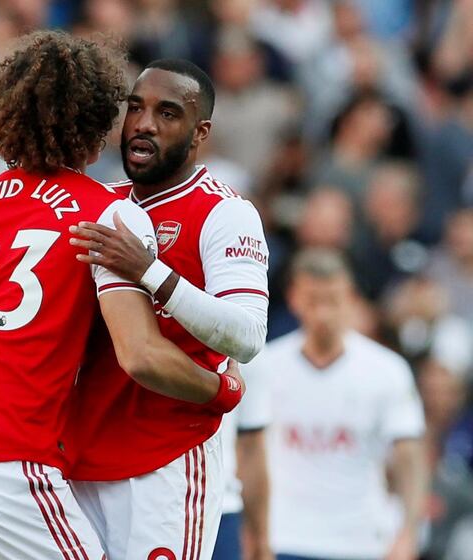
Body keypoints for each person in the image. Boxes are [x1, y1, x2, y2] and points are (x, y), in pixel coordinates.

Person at [0, 32, 243, 560]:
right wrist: (221, 391)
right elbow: (140, 355)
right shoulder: (110, 214)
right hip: (5, 462)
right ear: (96, 120)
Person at [66, 59, 269, 560]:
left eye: (168, 113)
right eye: (135, 108)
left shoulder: (224, 212)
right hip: (78, 459)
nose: (144, 124)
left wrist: (149, 272)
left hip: (167, 463)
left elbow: (247, 335)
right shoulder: (97, 205)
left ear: (200, 132)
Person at [264, 249, 427, 560]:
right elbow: (247, 454)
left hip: (361, 540)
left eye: (333, 300)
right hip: (285, 537)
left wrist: (408, 532)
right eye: (313, 301)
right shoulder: (268, 367)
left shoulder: (386, 370)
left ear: (351, 299)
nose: (323, 313)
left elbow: (409, 456)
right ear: (295, 298)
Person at [213, 358, 273, 560]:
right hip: (140, 501)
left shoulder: (249, 339)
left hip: (220, 508)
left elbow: (251, 447)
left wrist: (261, 540)